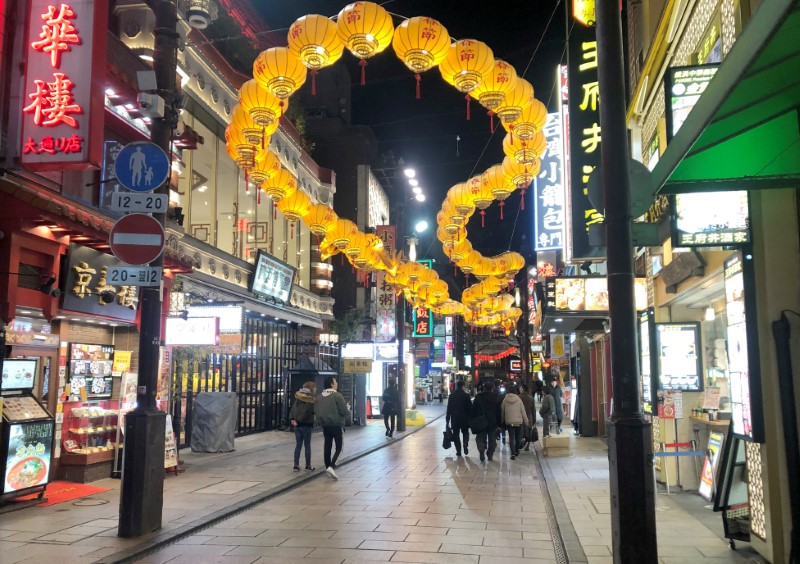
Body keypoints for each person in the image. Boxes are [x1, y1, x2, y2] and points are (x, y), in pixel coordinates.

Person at [315, 376, 349, 479]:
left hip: (325, 425)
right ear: (331, 384)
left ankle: (327, 467)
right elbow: (344, 411)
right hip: (336, 424)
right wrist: (347, 410)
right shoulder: (337, 396)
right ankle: (331, 466)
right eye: (335, 382)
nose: (337, 383)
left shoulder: (320, 397)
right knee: (339, 447)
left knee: (327, 446)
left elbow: (316, 411)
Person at [288, 381, 317, 471]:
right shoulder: (310, 399)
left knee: (298, 445)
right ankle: (308, 465)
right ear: (311, 388)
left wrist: (293, 419)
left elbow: (293, 409)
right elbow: (306, 412)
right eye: (314, 387)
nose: (316, 389)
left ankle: (296, 465)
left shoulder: (298, 397)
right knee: (307, 445)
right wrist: (299, 420)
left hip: (297, 426)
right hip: (306, 425)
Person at [471, 381, 499, 462]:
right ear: (492, 389)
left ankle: (481, 451)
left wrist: (473, 420)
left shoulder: (478, 397)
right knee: (492, 439)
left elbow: (473, 410)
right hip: (492, 422)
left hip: (481, 422)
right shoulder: (495, 398)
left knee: (480, 438)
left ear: (484, 388)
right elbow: (498, 411)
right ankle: (490, 454)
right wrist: (499, 423)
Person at [501, 384, 529, 459]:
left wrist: (502, 420)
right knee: (518, 437)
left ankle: (512, 454)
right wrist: (526, 421)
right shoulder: (519, 399)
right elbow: (523, 412)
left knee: (511, 437)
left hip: (509, 422)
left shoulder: (505, 400)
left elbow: (502, 412)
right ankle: (516, 451)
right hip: (518, 422)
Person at [446, 380, 473, 457]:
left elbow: (449, 408)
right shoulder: (466, 396)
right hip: (465, 418)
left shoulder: (451, 396)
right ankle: (465, 443)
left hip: (455, 418)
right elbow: (470, 408)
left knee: (456, 434)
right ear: (463, 386)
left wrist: (447, 418)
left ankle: (458, 451)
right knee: (465, 432)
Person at [518, 384, 535, 451]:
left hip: (520, 418)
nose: (520, 389)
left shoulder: (518, 397)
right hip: (529, 418)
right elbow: (533, 410)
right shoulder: (531, 398)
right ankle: (527, 446)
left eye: (520, 388)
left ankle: (520, 445)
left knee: (520, 433)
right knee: (529, 432)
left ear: (523, 389)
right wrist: (534, 420)